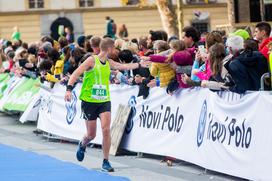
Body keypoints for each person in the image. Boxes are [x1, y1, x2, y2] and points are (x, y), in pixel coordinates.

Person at [64, 38, 149, 172]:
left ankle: (106, 161)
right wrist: (68, 89)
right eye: (114, 48)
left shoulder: (109, 62)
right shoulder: (91, 60)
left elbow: (123, 66)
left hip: (104, 101)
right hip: (89, 101)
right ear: (109, 49)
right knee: (91, 135)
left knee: (106, 130)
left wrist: (139, 65)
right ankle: (82, 144)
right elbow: (75, 73)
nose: (115, 51)